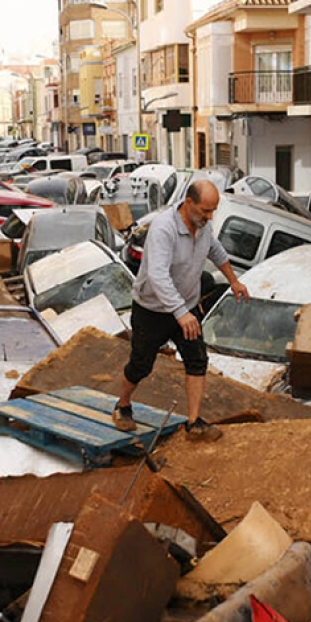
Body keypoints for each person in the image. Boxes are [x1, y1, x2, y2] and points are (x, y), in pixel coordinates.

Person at [112, 180, 249, 442]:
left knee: (197, 359)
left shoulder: (203, 227)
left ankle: (194, 422)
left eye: (213, 212)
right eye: (205, 211)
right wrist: (180, 312)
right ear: (188, 204)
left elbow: (216, 251)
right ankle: (122, 406)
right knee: (141, 364)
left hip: (185, 307)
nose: (209, 218)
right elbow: (158, 275)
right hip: (152, 309)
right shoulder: (164, 229)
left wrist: (233, 280)